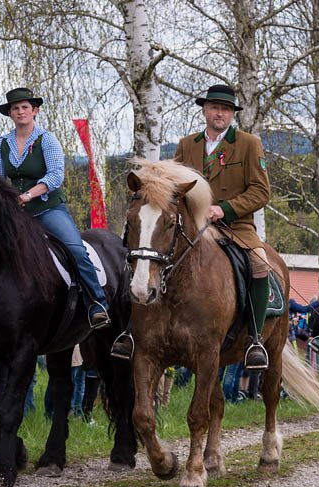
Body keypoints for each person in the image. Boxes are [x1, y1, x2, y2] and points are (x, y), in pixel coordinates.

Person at [112, 84, 271, 370]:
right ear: (205, 110)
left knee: (259, 264)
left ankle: (255, 340)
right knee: (143, 258)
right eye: (214, 107)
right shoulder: (188, 144)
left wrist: (225, 208)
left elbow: (261, 191)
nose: (219, 113)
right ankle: (129, 332)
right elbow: (174, 191)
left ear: (232, 114)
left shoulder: (249, 144)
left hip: (235, 226)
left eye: (225, 109)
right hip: (193, 227)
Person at [0, 87, 109, 329]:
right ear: (10, 114)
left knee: (76, 249)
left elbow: (55, 175)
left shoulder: (47, 139)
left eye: (25, 107)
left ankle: (97, 302)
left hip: (48, 209)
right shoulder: (2, 143)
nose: (20, 111)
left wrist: (28, 195)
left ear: (34, 111)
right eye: (16, 108)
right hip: (17, 213)